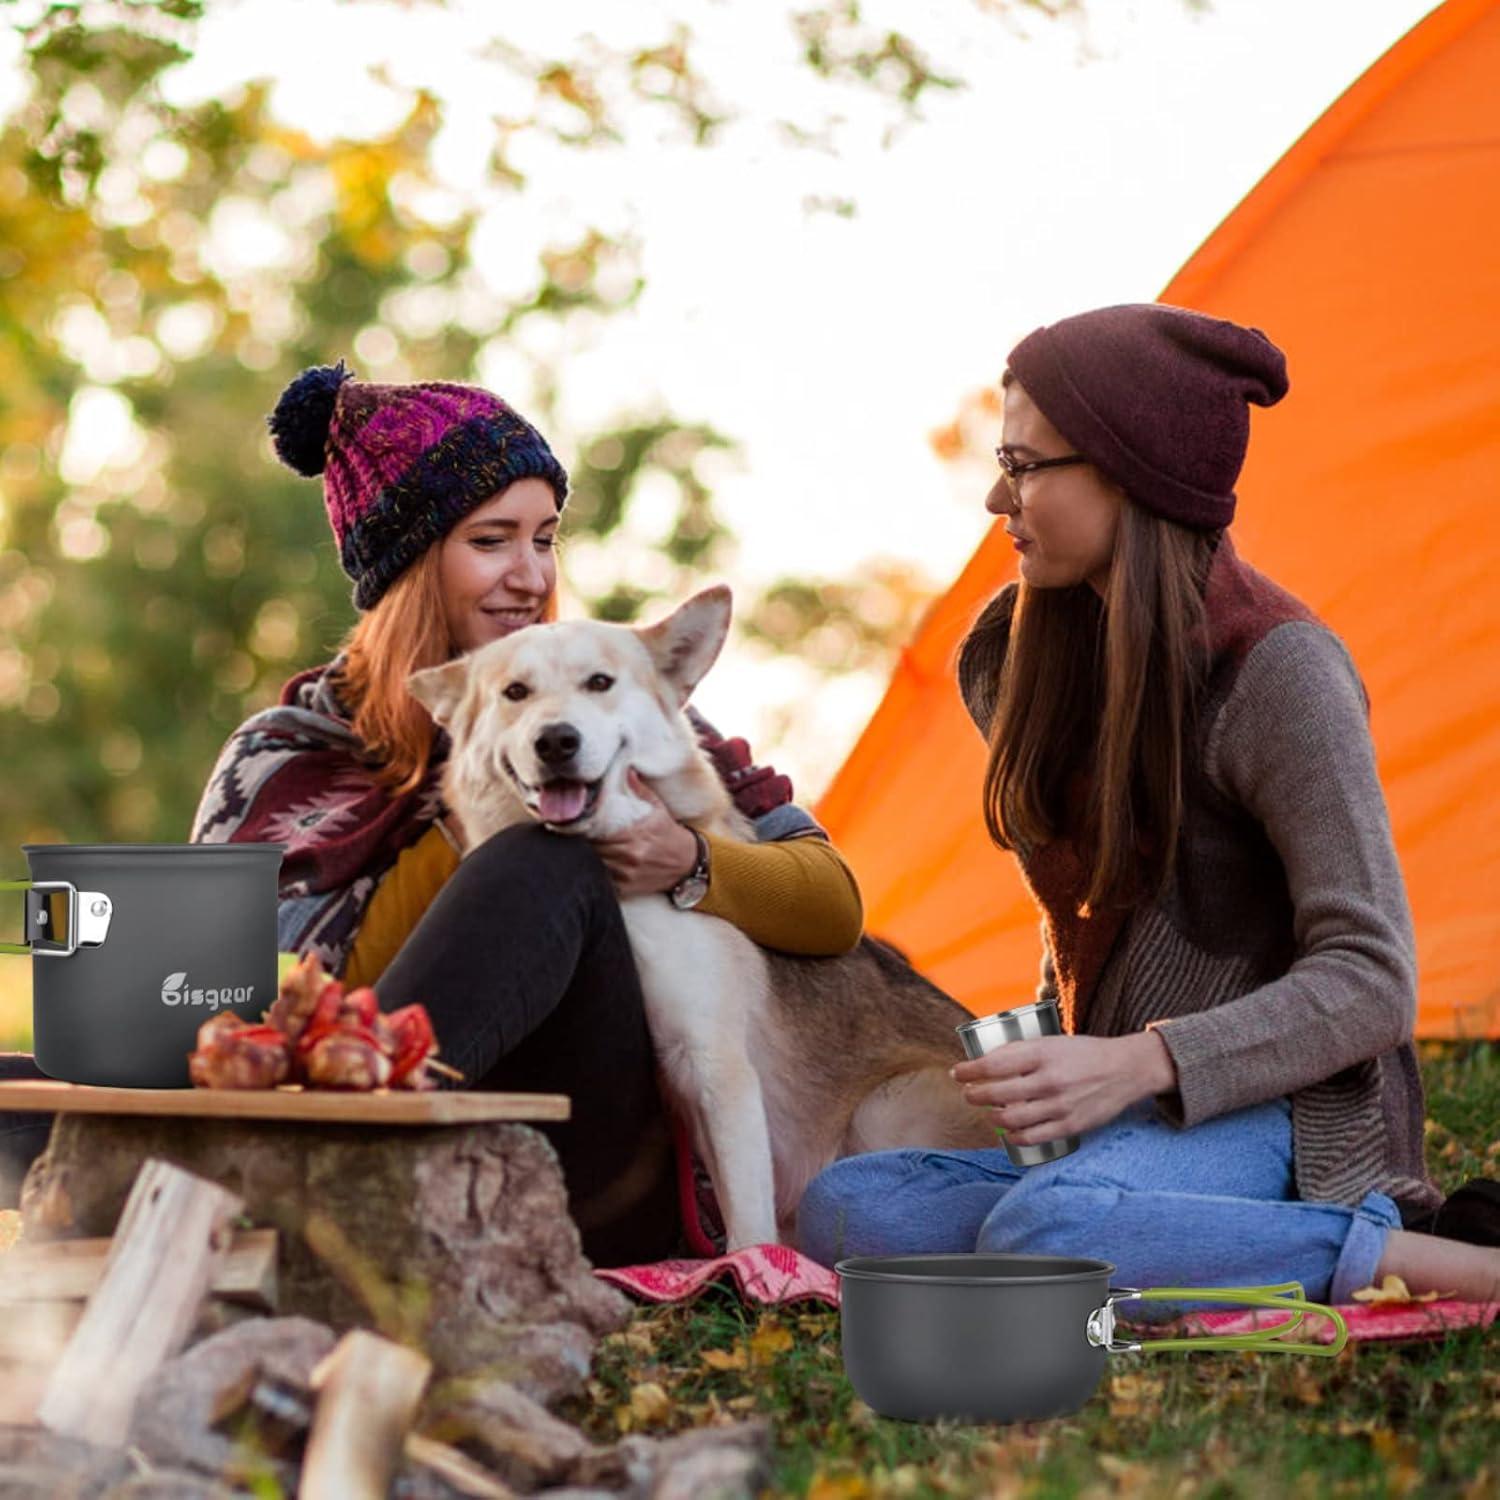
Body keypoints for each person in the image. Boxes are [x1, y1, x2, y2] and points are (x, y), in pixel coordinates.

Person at [0, 363, 865, 1265]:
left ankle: (247, 1177)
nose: (531, 575)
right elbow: (249, 1007)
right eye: (492, 541)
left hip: (597, 1156)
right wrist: (470, 799)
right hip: (363, 1105)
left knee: (547, 855)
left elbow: (832, 904)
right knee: (32, 1081)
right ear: (412, 566)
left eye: (545, 539)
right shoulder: (286, 753)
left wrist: (688, 857)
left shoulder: (609, 708)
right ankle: (207, 1161)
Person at [794, 303, 1500, 1307]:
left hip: (1286, 1109)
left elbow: (1373, 980)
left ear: (1131, 475)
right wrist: (1060, 1050)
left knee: (1049, 1231)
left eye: (1024, 466)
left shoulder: (1281, 673)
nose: (997, 496)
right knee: (848, 1210)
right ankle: (1162, 1235)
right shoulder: (1020, 656)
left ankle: (1440, 1264)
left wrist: (1142, 1061)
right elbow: (1093, 918)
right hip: (1128, 1111)